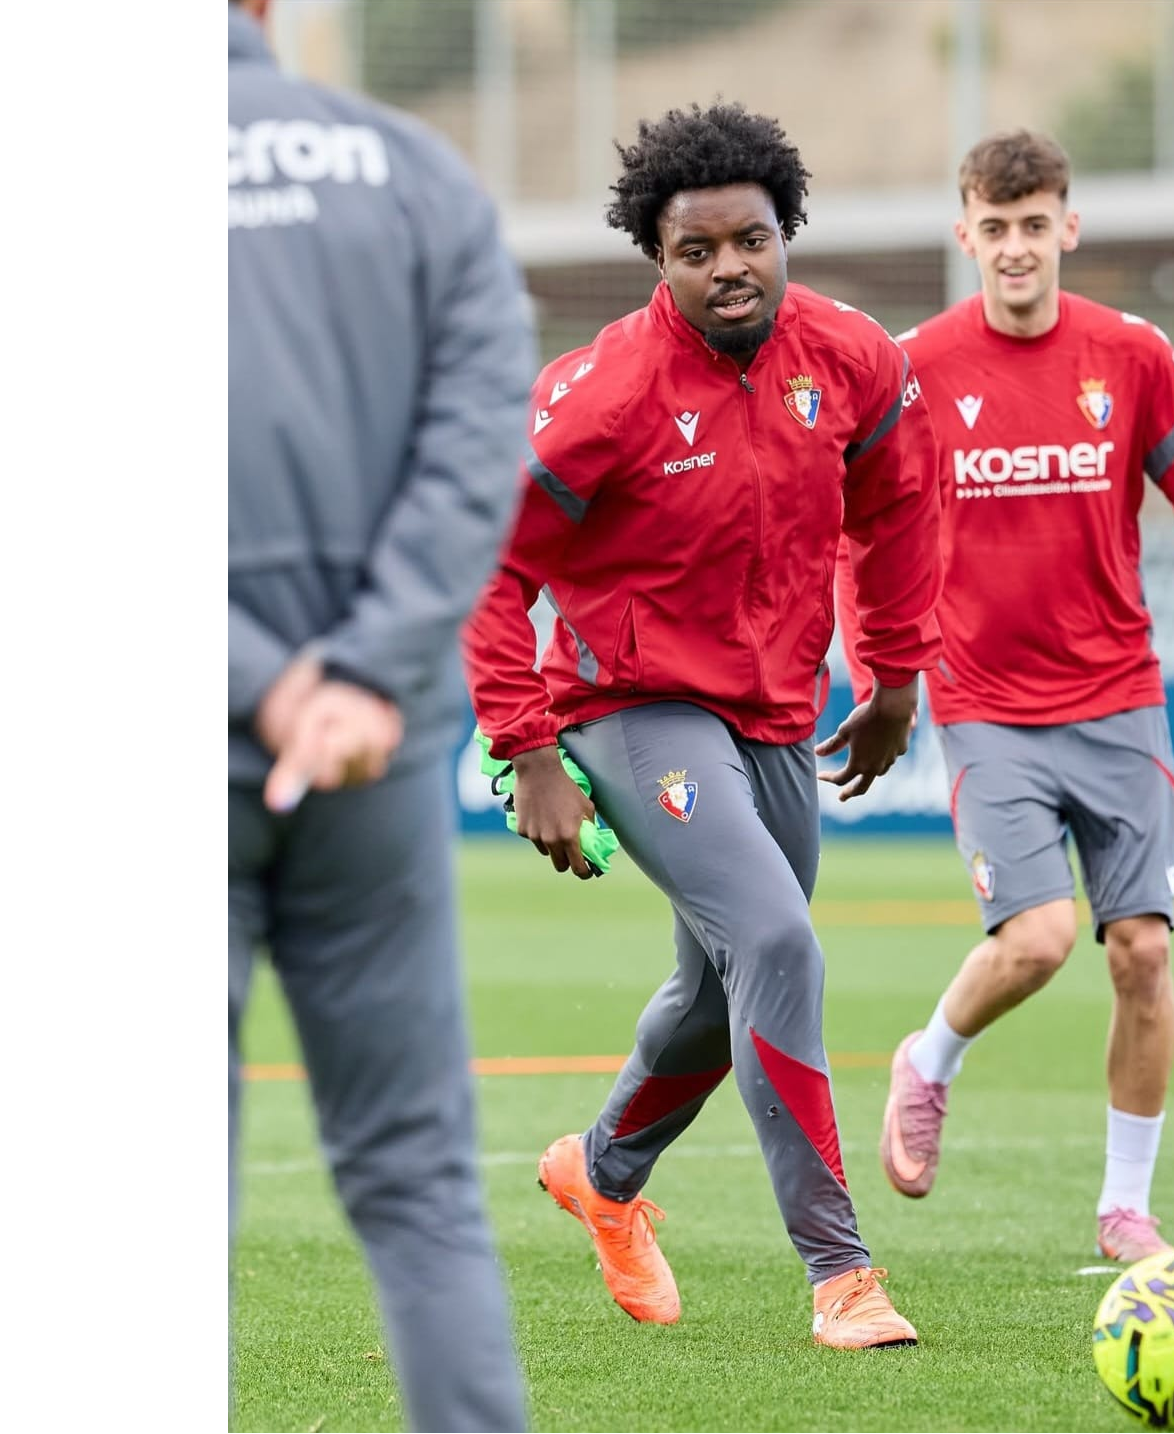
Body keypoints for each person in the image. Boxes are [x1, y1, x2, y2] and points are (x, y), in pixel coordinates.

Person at [460, 100, 944, 1349]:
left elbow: (900, 511)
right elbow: (488, 569)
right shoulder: (603, 393)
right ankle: (842, 1274)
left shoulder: (855, 360)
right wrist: (527, 749)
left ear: (786, 234)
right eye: (697, 250)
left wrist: (893, 678)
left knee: (715, 986)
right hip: (633, 705)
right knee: (776, 941)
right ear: (657, 257)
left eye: (752, 240)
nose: (730, 267)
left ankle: (601, 1174)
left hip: (777, 712)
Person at [839, 128, 1174, 1262]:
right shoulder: (917, 369)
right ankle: (929, 1059)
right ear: (965, 235)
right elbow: (857, 530)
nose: (1017, 247)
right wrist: (876, 672)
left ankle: (1126, 1208)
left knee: (1143, 953)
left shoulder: (1132, 355)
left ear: (1068, 227)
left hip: (1120, 697)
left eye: (1035, 225)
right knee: (1037, 938)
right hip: (986, 704)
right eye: (996, 228)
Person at [227, 1, 534, 1428]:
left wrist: (264, 680)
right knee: (419, 1186)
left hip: (292, 719)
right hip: (374, 753)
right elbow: (476, 453)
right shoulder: (417, 174)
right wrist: (358, 672)